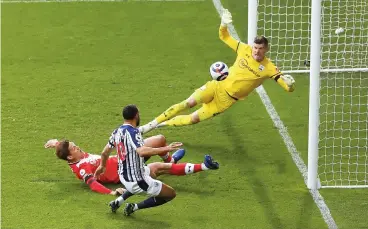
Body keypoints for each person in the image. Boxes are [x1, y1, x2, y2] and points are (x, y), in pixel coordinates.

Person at [139, 9, 296, 134]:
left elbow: (285, 85)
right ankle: (150, 125)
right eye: (255, 48)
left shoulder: (269, 67)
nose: (256, 52)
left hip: (226, 101)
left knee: (193, 119)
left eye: (260, 49)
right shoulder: (244, 49)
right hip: (217, 86)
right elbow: (224, 37)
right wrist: (223, 24)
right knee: (188, 103)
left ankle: (164, 124)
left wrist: (290, 85)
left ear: (266, 49)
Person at [94, 105, 219, 216]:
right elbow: (141, 151)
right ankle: (134, 207)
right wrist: (166, 148)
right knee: (170, 194)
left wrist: (102, 166)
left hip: (124, 175)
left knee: (160, 167)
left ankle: (117, 201)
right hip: (138, 180)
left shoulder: (116, 132)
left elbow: (105, 152)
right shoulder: (133, 132)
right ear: (136, 115)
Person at [45, 135, 218, 196]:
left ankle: (171, 160)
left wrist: (55, 143)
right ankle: (202, 166)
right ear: (69, 155)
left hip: (123, 157)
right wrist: (112, 191)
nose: (78, 147)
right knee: (158, 167)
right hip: (126, 169)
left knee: (159, 139)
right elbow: (93, 184)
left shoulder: (73, 156)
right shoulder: (80, 168)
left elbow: (64, 149)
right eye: (74, 148)